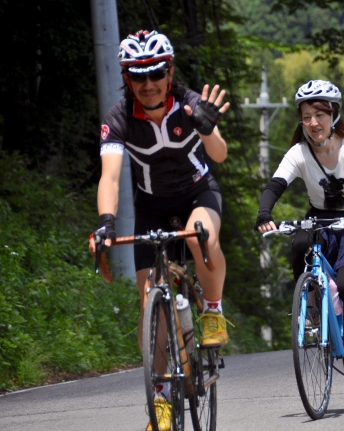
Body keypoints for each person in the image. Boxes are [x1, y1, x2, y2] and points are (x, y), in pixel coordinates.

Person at [89, 30, 230, 431]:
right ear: (127, 79)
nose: (148, 84)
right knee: (150, 303)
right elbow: (111, 178)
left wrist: (207, 127)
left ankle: (214, 311)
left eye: (155, 73)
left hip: (198, 195)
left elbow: (218, 154)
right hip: (151, 206)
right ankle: (162, 397)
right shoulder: (118, 119)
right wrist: (106, 223)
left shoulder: (188, 104)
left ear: (169, 73)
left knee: (199, 234)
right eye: (138, 76)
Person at [255, 80, 344, 379]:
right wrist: (264, 212)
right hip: (319, 220)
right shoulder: (299, 152)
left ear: (334, 114)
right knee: (300, 242)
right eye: (306, 116)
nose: (313, 123)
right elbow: (275, 184)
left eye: (320, 114)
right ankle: (311, 306)